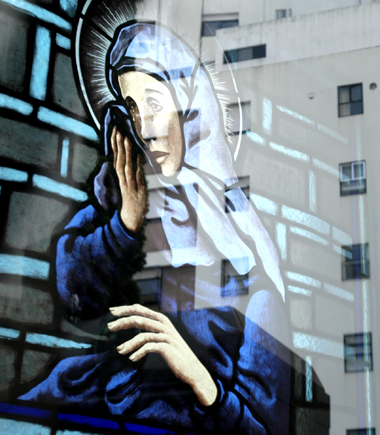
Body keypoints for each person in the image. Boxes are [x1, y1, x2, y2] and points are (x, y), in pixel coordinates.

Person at [20, 21, 291, 435]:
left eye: (153, 104)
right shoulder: (123, 198)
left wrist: (196, 375)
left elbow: (264, 428)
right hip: (98, 400)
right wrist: (126, 221)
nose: (144, 128)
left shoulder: (251, 271)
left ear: (190, 109)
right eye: (131, 109)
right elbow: (74, 294)